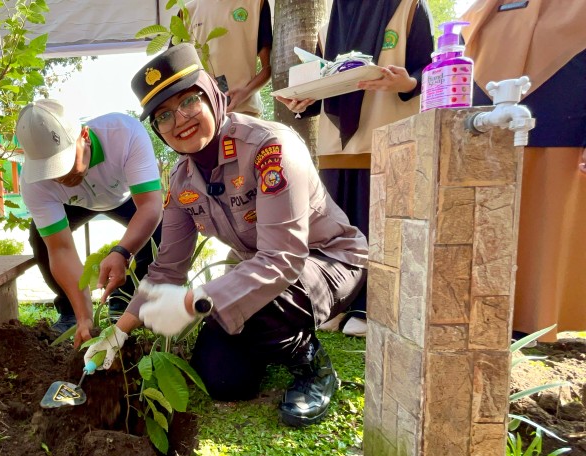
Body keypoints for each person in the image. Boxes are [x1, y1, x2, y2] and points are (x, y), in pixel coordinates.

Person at [83, 43, 367, 427]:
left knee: (261, 300)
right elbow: (166, 270)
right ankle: (273, 343)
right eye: (163, 116)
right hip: (262, 272)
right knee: (220, 378)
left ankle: (311, 365)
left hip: (328, 261)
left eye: (188, 102)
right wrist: (117, 334)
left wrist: (189, 303)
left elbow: (282, 259)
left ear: (213, 95)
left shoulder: (269, 147)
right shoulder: (182, 182)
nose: (179, 120)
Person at [275, 0, 434, 337]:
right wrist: (304, 100)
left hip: (389, 138)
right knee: (338, 231)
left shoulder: (408, 7)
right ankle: (338, 303)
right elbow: (328, 83)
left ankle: (375, 307)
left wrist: (406, 83)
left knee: (382, 229)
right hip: (337, 147)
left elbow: (433, 69)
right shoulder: (331, 21)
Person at [461, 0, 586, 343]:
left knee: (545, 224)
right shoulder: (479, 11)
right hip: (484, 137)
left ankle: (538, 322)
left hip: (561, 136)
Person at [15, 100, 164, 335]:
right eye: (50, 170)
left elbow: (150, 206)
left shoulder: (124, 133)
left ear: (84, 135)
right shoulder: (34, 185)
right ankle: (71, 312)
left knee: (160, 232)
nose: (61, 177)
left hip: (124, 196)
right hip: (73, 204)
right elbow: (61, 249)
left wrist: (122, 252)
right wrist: (85, 316)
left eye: (64, 163)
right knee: (41, 240)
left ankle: (123, 301)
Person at [185, 0, 273, 117]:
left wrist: (245, 92)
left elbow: (268, 68)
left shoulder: (256, 3)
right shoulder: (186, 11)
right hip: (202, 117)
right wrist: (199, 78)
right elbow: (177, 69)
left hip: (245, 114)